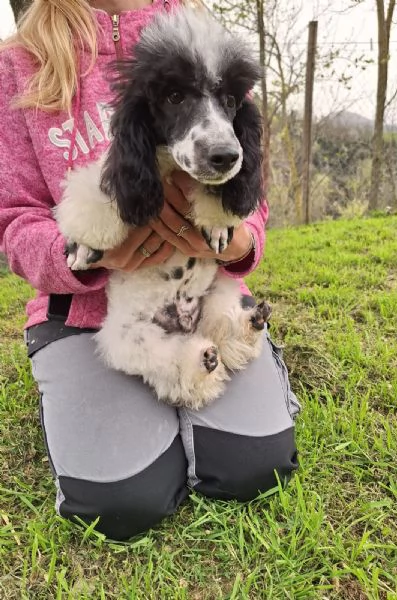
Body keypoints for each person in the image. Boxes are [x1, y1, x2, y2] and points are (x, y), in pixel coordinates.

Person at [0, 0, 299, 541]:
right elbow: (14, 219)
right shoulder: (20, 61)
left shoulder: (203, 35)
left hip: (206, 288)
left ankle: (229, 352)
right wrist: (92, 252)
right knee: (121, 502)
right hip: (90, 314)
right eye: (178, 96)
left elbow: (248, 187)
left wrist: (236, 239)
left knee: (255, 467)